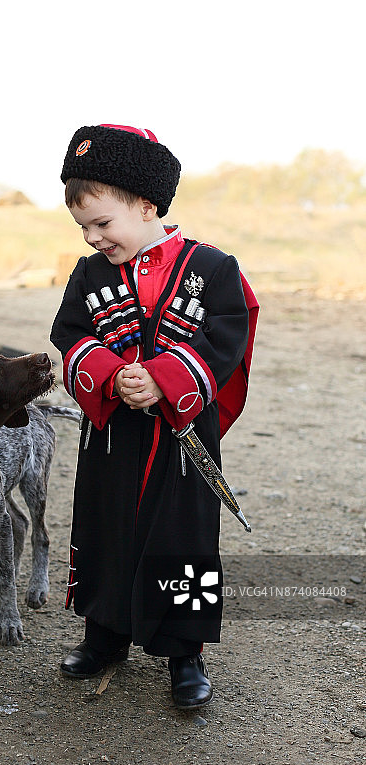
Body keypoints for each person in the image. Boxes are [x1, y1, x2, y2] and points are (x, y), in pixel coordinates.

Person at [50, 124, 259, 709]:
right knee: (104, 528)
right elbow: (70, 334)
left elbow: (228, 337)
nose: (93, 238)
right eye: (83, 228)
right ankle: (105, 635)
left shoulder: (213, 268)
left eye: (102, 223)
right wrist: (114, 375)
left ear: (147, 207)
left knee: (184, 539)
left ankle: (185, 653)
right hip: (112, 434)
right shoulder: (89, 276)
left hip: (183, 437)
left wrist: (164, 378)